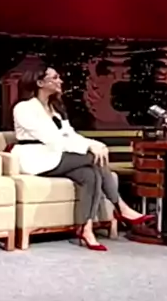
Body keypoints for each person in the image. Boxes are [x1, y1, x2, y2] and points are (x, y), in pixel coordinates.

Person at [12, 63, 153, 251]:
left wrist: (96, 144)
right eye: (54, 78)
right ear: (39, 83)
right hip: (35, 158)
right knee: (93, 158)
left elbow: (70, 135)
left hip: (57, 155)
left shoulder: (55, 108)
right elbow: (51, 138)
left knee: (90, 175)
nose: (60, 81)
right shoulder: (24, 108)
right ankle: (121, 206)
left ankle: (85, 229)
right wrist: (90, 147)